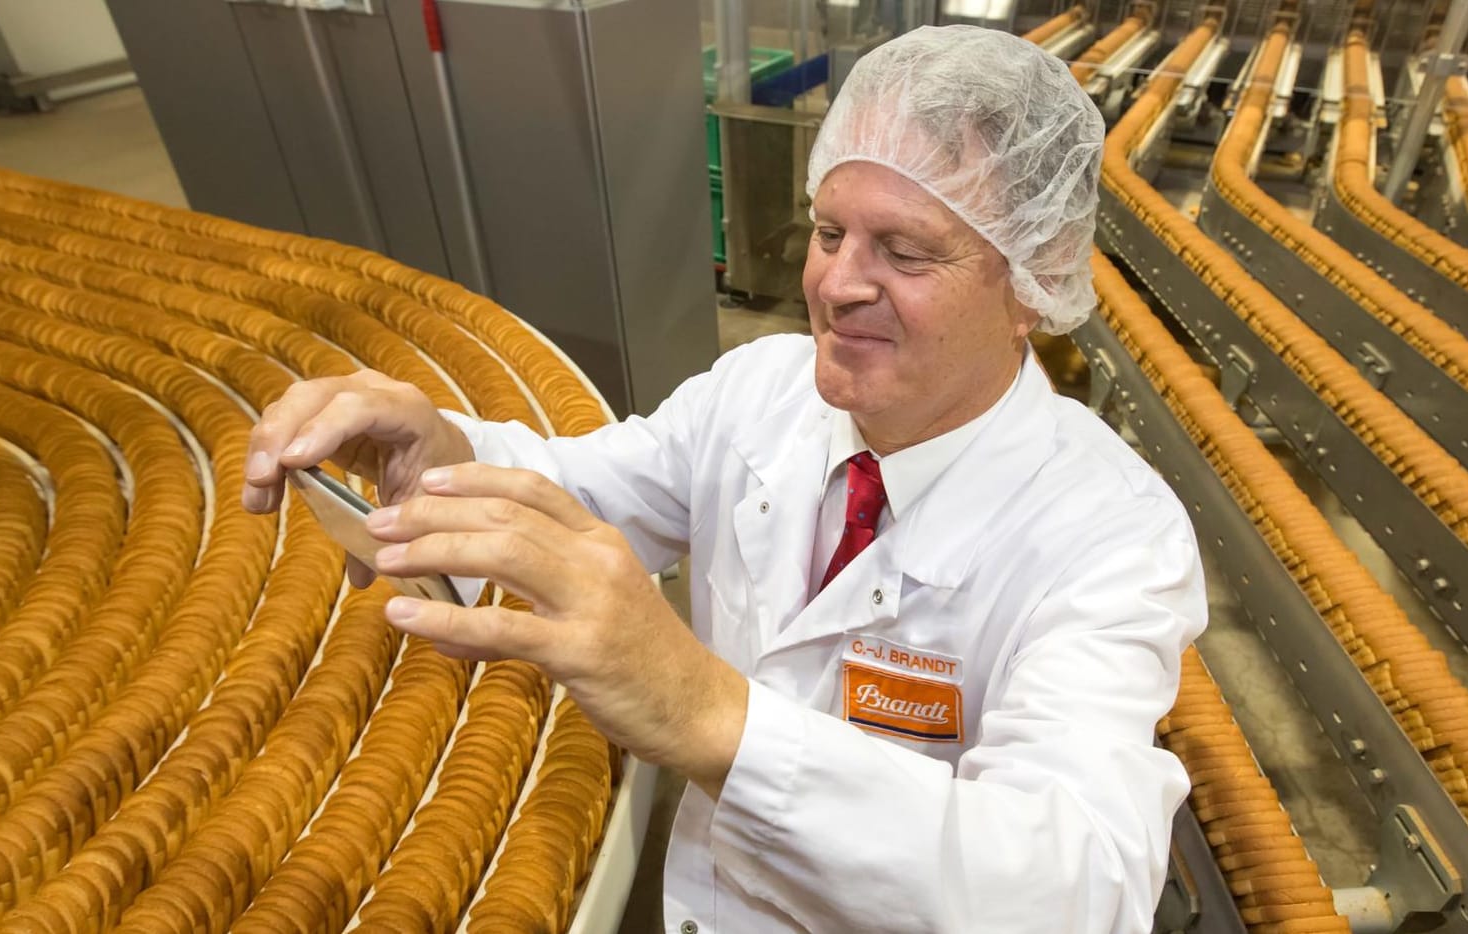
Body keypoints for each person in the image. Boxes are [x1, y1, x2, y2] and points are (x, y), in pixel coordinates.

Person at [243, 25, 1206, 934]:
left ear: (1029, 287)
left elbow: (1072, 888)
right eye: (830, 234)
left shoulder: (1108, 537)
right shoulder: (762, 390)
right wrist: (439, 452)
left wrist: (708, 714)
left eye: (903, 252)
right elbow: (591, 491)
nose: (836, 285)